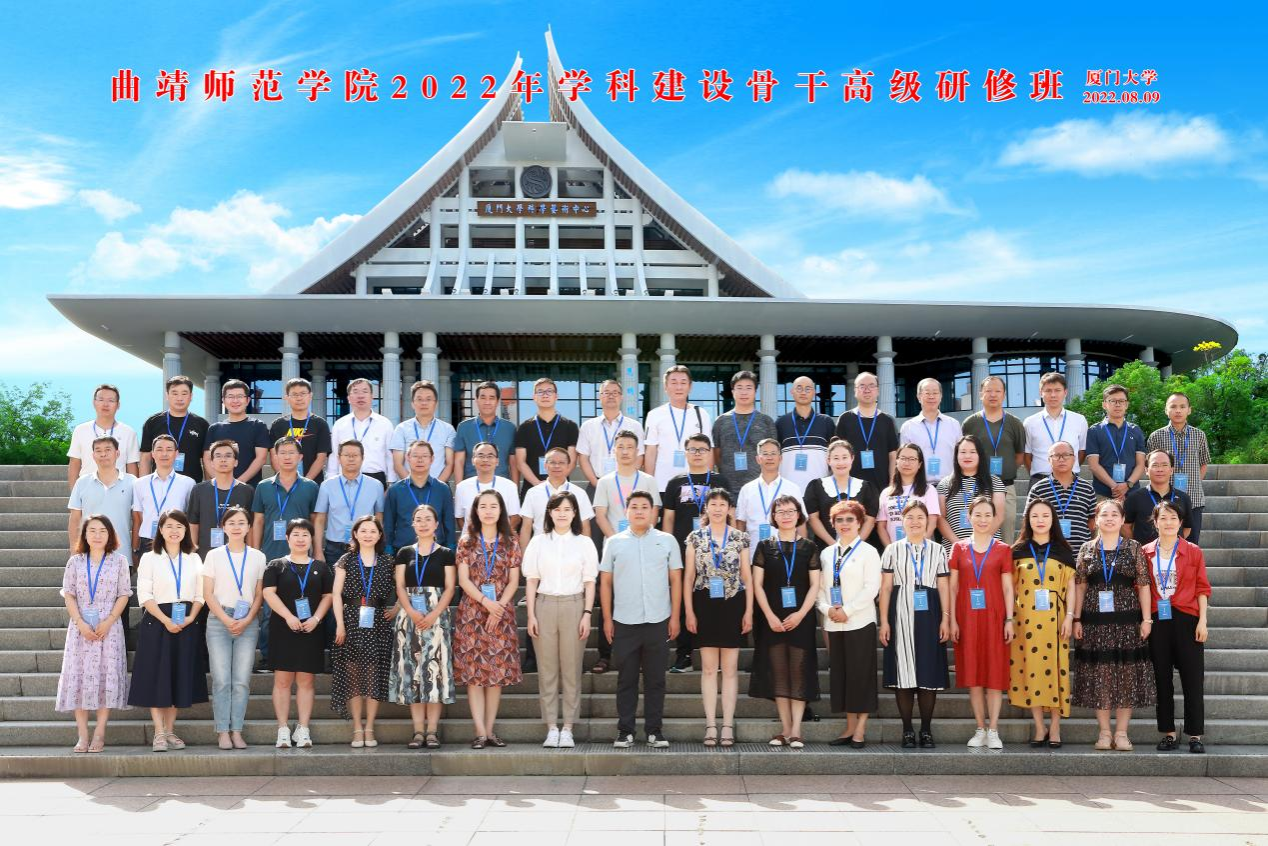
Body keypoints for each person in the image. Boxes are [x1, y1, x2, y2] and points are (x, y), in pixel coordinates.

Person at [1071, 499, 1155, 751]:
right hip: (1094, 622)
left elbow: (1144, 585)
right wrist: (1076, 618)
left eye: (1114, 515)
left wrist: (1147, 619)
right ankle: (1104, 732)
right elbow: (1080, 586)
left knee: (1126, 676)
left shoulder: (1133, 547)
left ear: (1122, 519)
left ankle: (1121, 733)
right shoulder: (1087, 548)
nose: (1109, 519)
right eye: (1104, 515)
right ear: (1096, 520)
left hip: (1127, 621)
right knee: (1100, 676)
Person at [601, 490, 683, 748]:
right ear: (626, 511)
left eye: (644, 507)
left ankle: (654, 731)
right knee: (626, 679)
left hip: (658, 619)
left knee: (656, 679)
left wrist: (675, 617)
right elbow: (605, 582)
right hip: (624, 621)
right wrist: (607, 619)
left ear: (653, 512)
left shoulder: (667, 540)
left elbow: (676, 580)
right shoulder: (614, 542)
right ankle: (625, 731)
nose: (639, 511)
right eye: (634, 506)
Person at [127, 509, 206, 752]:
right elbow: (144, 595)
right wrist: (165, 620)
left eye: (179, 527)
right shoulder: (150, 558)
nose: (174, 531)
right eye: (169, 526)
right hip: (157, 622)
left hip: (186, 622)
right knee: (157, 676)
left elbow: (200, 594)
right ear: (160, 530)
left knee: (178, 676)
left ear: (186, 531)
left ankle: (170, 730)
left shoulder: (194, 558)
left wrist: (191, 617)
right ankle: (158, 732)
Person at [523, 491, 597, 748]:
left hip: (574, 605)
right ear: (550, 513)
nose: (562, 514)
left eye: (567, 509)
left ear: (575, 513)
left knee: (571, 669)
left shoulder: (584, 543)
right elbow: (531, 580)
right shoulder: (538, 542)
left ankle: (568, 728)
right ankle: (552, 727)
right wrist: (531, 614)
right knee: (547, 670)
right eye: (557, 509)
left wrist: (587, 613)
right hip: (544, 605)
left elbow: (590, 582)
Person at [453, 490, 522, 748]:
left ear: (501, 510)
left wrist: (498, 607)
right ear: (475, 511)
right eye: (483, 506)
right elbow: (463, 580)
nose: (488, 511)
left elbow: (514, 581)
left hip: (501, 614)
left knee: (496, 674)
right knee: (474, 674)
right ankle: (480, 732)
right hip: (473, 613)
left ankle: (491, 730)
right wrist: (486, 602)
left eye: (494, 506)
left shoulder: (510, 541)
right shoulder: (466, 541)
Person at [749, 494, 820, 748]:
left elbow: (815, 585)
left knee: (799, 671)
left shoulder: (809, 547)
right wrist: (769, 615)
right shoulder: (764, 546)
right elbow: (757, 584)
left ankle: (797, 730)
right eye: (781, 512)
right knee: (778, 672)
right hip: (772, 617)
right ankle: (785, 729)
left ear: (799, 515)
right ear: (774, 517)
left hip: (801, 617)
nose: (786, 516)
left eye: (791, 511)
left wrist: (800, 614)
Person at [879, 500, 951, 749]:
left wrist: (946, 617)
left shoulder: (938, 550)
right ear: (902, 521)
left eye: (920, 517)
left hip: (930, 614)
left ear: (928, 521)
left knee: (928, 673)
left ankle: (926, 730)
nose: (915, 522)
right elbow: (886, 588)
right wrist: (884, 621)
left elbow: (944, 586)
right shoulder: (892, 550)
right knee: (904, 674)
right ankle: (908, 730)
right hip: (900, 614)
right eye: (910, 517)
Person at [683, 488, 752, 747]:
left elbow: (747, 577)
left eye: (723, 504)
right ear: (706, 508)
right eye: (713, 504)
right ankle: (711, 724)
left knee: (730, 669)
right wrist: (689, 611)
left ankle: (728, 725)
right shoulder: (695, 537)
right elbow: (689, 577)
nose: (718, 509)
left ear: (730, 509)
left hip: (734, 603)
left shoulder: (740, 537)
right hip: (704, 603)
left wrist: (749, 611)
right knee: (710, 669)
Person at [57, 514, 132, 753]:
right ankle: (82, 735)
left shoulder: (119, 561)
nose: (97, 535)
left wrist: (109, 620)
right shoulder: (75, 562)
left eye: (102, 531)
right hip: (80, 629)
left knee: (104, 678)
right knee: (78, 678)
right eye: (92, 531)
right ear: (84, 535)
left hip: (109, 628)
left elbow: (124, 593)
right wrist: (80, 622)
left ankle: (99, 732)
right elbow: (69, 594)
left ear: (110, 535)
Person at [590, 429, 662, 674]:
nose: (625, 451)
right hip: (614, 548)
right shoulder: (605, 481)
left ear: (637, 451)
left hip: (643, 547)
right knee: (608, 599)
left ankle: (641, 656)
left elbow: (654, 514)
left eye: (630, 447)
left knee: (640, 598)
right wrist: (618, 540)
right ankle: (605, 655)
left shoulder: (648, 481)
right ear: (614, 451)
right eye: (620, 447)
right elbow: (600, 515)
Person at [1009, 499, 1077, 749]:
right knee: (1032, 670)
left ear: (1053, 520)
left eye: (1045, 516)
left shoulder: (1063, 550)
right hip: (1025, 621)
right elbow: (1010, 588)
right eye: (1035, 516)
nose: (1040, 520)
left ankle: (1055, 726)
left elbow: (1071, 586)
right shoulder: (1017, 550)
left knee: (1056, 670)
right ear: (1028, 520)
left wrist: (1070, 616)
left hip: (1056, 620)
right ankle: (1040, 726)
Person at [947, 496, 1015, 749]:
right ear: (969, 517)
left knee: (995, 675)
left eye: (988, 515)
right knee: (973, 676)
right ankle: (980, 728)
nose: (983, 520)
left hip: (995, 618)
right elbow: (952, 587)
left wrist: (1009, 619)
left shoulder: (1003, 549)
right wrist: (952, 620)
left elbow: (1008, 588)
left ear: (995, 518)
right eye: (978, 514)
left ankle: (993, 729)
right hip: (966, 618)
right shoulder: (959, 548)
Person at [1143, 501, 1211, 753]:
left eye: (1173, 518)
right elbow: (1141, 588)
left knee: (1193, 679)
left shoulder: (1193, 551)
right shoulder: (1145, 552)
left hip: (1187, 619)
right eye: (1163, 518)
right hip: (1158, 620)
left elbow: (1202, 587)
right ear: (1155, 522)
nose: (1168, 522)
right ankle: (1168, 733)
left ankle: (1195, 735)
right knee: (1162, 679)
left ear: (1181, 522)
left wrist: (1203, 621)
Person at [389, 504, 457, 750]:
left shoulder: (446, 553)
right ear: (413, 524)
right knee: (412, 673)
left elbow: (450, 587)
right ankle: (418, 731)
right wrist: (411, 611)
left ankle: (432, 731)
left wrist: (434, 614)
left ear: (436, 524)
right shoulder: (404, 553)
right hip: (409, 617)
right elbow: (399, 586)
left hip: (437, 617)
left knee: (434, 674)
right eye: (419, 519)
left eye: (428, 519)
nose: (423, 523)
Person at [263, 518, 334, 749]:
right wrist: (289, 617)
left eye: (305, 535)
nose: (301, 539)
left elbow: (328, 596)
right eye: (296, 534)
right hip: (283, 628)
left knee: (306, 681)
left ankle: (303, 729)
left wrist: (316, 619)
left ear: (312, 539)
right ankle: (283, 729)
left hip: (311, 629)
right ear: (287, 538)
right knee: (282, 681)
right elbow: (268, 593)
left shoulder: (321, 567)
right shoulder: (276, 565)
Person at [251, 437, 321, 671]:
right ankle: (267, 656)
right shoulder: (263, 487)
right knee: (270, 610)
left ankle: (300, 655)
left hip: (302, 558)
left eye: (292, 453)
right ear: (275, 457)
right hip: (271, 555)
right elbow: (258, 521)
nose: (287, 457)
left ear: (300, 457)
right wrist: (256, 552)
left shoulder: (310, 486)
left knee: (302, 604)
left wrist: (317, 551)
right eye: (282, 452)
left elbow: (316, 522)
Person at [663, 433, 731, 672]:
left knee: (715, 601)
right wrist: (668, 550)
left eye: (702, 449)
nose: (698, 453)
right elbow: (668, 519)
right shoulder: (675, 483)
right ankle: (685, 655)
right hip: (684, 552)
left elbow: (730, 515)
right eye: (693, 449)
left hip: (716, 553)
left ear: (710, 453)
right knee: (684, 602)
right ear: (686, 453)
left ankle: (718, 653)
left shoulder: (720, 481)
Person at [200, 504, 266, 749]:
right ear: (223, 527)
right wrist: (226, 619)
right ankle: (222, 731)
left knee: (241, 680)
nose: (236, 527)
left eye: (241, 523)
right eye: (231, 523)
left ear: (249, 527)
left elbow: (259, 594)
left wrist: (247, 619)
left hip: (248, 621)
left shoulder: (258, 557)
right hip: (219, 620)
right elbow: (207, 593)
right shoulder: (213, 555)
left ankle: (236, 730)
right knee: (221, 680)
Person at [817, 500, 881, 748]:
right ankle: (849, 726)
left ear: (859, 523)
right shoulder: (826, 554)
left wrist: (848, 610)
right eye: (839, 520)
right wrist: (827, 609)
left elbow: (871, 587)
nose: (844, 524)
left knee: (861, 676)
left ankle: (860, 728)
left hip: (860, 622)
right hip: (834, 623)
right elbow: (819, 588)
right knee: (842, 676)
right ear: (832, 524)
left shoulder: (868, 552)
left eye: (850, 520)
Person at [330, 515, 397, 747]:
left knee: (373, 676)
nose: (368, 535)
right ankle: (357, 727)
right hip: (351, 620)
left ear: (379, 535)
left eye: (372, 531)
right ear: (355, 534)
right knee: (354, 677)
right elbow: (336, 594)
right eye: (363, 530)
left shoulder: (387, 561)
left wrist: (397, 608)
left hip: (377, 622)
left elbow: (404, 587)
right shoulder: (346, 560)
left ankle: (370, 727)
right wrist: (340, 624)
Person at [960, 376, 1026, 544]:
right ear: (980, 394)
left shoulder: (1015, 423)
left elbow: (1019, 455)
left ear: (1004, 394)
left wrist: (1006, 470)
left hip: (1005, 486)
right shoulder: (970, 423)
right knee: (975, 534)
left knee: (1006, 535)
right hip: (977, 487)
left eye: (998, 391)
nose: (993, 395)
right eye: (988, 391)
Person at [1147, 392, 1211, 544]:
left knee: (1191, 544)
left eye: (1182, 407)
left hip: (1193, 498)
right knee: (1162, 544)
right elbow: (1151, 466)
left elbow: (1204, 463)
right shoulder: (1156, 436)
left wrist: (1195, 482)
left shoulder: (1199, 435)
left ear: (1189, 410)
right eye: (1173, 406)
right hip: (1164, 500)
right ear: (1166, 410)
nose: (1178, 410)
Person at [314, 440, 387, 565]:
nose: (351, 459)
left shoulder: (376, 486)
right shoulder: (327, 485)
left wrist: (377, 547)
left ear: (363, 458)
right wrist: (318, 551)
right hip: (334, 548)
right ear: (339, 458)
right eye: (347, 455)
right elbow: (320, 519)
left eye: (355, 455)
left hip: (366, 546)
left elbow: (379, 518)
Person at [644, 365, 712, 493]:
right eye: (674, 383)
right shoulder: (654, 415)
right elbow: (651, 452)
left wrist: (707, 482)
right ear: (665, 386)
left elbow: (709, 450)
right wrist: (649, 485)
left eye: (683, 383)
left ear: (690, 387)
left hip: (695, 485)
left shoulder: (701, 414)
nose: (679, 387)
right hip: (662, 484)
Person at [834, 371, 899, 503]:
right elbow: (837, 454)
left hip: (882, 487)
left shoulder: (887, 420)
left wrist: (892, 485)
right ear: (855, 391)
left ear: (878, 390)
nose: (867, 390)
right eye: (862, 386)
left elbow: (893, 455)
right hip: (851, 488)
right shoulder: (845, 419)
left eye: (871, 385)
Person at [804, 439, 879, 552]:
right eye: (836, 458)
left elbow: (870, 520)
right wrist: (834, 545)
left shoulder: (865, 487)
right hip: (827, 548)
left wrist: (854, 546)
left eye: (845, 457)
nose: (841, 462)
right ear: (828, 460)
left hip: (858, 549)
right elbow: (813, 518)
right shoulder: (816, 486)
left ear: (852, 458)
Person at [131, 434, 197, 564]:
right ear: (153, 454)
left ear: (176, 454)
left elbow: (189, 518)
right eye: (159, 449)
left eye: (169, 449)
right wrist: (134, 548)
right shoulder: (140, 483)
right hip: (147, 541)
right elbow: (138, 517)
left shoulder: (188, 483)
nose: (164, 454)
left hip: (176, 539)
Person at [712, 370, 777, 499]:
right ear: (733, 391)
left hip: (759, 488)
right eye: (739, 388)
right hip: (727, 489)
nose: (744, 392)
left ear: (755, 391)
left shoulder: (766, 421)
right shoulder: (721, 421)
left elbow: (773, 456)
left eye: (748, 388)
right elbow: (717, 455)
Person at [68, 436, 136, 559]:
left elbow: (137, 519)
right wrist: (74, 551)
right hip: (88, 555)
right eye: (98, 450)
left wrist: (135, 550)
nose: (103, 454)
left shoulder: (132, 482)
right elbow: (75, 519)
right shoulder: (82, 482)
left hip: (122, 554)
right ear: (93, 455)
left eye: (108, 450)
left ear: (117, 453)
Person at [936, 435, 1005, 555]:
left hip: (987, 548)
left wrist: (979, 542)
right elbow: (940, 518)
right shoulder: (945, 484)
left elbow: (999, 516)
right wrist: (959, 545)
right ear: (956, 455)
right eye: (963, 452)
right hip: (954, 550)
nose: (967, 456)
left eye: (972, 452)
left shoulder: (994, 482)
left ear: (980, 455)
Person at [384, 439, 457, 552]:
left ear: (432, 459)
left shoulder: (442, 489)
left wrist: (451, 548)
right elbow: (389, 524)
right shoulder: (395, 490)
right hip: (403, 552)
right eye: (415, 456)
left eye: (424, 456)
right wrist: (388, 548)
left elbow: (449, 523)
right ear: (408, 458)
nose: (420, 460)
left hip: (436, 551)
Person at [735, 438, 805, 551]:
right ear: (758, 459)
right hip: (753, 552)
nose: (769, 457)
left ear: (780, 458)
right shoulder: (747, 489)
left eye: (773, 453)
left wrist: (801, 552)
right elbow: (740, 524)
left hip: (786, 552)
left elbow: (801, 524)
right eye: (765, 454)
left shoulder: (793, 488)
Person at [514, 376, 580, 494]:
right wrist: (538, 484)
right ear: (534, 397)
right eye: (540, 392)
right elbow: (520, 462)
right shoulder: (524, 428)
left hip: (561, 490)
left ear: (556, 396)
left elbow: (572, 461)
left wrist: (554, 484)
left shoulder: (570, 426)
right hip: (532, 489)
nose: (545, 395)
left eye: (549, 391)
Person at [187, 440, 255, 553]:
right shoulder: (199, 490)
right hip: (205, 555)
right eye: (218, 456)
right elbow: (193, 524)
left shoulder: (247, 491)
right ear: (212, 462)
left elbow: (251, 527)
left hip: (237, 555)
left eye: (228, 456)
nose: (223, 460)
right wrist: (191, 554)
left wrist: (249, 553)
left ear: (236, 462)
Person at [1025, 441, 1097, 547]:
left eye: (1066, 455)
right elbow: (1028, 520)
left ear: (1074, 458)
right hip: (1049, 552)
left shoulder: (1087, 488)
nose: (1061, 459)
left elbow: (1092, 522)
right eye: (1056, 456)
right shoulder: (1038, 489)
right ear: (1049, 460)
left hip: (1080, 551)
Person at [139, 375, 209, 483]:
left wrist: (209, 488)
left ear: (191, 396)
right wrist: (144, 485)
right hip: (159, 484)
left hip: (192, 486)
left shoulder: (202, 425)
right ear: (167, 395)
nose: (179, 398)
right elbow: (145, 458)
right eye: (175, 393)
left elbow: (207, 460)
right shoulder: (153, 422)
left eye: (184, 394)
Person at [1085, 383, 1148, 502]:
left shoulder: (1135, 430)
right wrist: (1115, 486)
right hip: (1103, 493)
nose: (1117, 404)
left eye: (1121, 401)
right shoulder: (1094, 430)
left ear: (1126, 404)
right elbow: (1094, 465)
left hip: (1131, 492)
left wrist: (1127, 485)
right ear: (1104, 404)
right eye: (1112, 401)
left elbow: (1141, 464)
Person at [66, 383, 139, 485]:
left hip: (119, 488)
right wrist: (74, 492)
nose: (105, 404)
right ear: (94, 402)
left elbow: (131, 465)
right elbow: (74, 463)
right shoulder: (80, 430)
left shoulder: (129, 432)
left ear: (118, 405)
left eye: (111, 400)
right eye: (101, 400)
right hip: (87, 487)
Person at [520, 446, 595, 545]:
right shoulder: (532, 493)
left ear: (568, 465)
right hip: (541, 548)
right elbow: (526, 528)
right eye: (552, 462)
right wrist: (525, 553)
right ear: (545, 465)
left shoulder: (579, 493)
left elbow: (585, 527)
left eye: (561, 463)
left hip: (571, 548)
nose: (557, 466)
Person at [578, 379, 645, 488]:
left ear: (621, 397)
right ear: (600, 396)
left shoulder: (634, 426)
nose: (611, 396)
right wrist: (597, 484)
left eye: (615, 393)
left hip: (627, 484)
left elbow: (639, 456)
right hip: (596, 484)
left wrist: (627, 481)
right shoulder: (588, 426)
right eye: (606, 392)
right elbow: (583, 458)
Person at [329, 378, 395, 486]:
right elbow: (334, 455)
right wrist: (331, 481)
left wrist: (391, 483)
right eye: (355, 392)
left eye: (365, 391)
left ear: (372, 396)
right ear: (349, 398)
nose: (360, 396)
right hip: (346, 479)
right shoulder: (340, 424)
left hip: (376, 478)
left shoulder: (385, 424)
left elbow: (390, 457)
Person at [1023, 372, 1089, 480]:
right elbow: (1027, 455)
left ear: (1065, 392)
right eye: (1048, 390)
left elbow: (1082, 452)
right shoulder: (1030, 422)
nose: (1053, 395)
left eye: (1057, 390)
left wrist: (1067, 470)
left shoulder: (1079, 420)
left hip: (1070, 480)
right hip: (1040, 479)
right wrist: (1038, 476)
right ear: (1041, 393)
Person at [205, 379, 272, 485]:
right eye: (230, 397)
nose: (235, 401)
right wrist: (221, 483)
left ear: (247, 400)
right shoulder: (214, 429)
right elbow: (207, 459)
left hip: (249, 488)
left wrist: (238, 483)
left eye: (240, 396)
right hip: (219, 489)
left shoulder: (258, 426)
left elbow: (261, 458)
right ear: (223, 400)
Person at [776, 376, 837, 489]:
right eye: (799, 388)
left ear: (814, 393)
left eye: (808, 389)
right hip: (788, 492)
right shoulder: (781, 423)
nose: (803, 392)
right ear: (792, 392)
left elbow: (835, 457)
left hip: (820, 490)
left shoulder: (826, 422)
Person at [452, 380, 518, 483]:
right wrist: (459, 489)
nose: (487, 402)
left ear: (497, 401)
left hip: (501, 486)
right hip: (472, 486)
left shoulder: (510, 428)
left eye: (491, 398)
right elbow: (459, 462)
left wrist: (515, 489)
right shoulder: (464, 427)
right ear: (476, 400)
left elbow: (513, 464)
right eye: (483, 398)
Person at [899, 378, 962, 485]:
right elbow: (904, 460)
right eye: (927, 393)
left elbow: (960, 455)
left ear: (941, 396)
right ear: (919, 397)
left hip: (950, 485)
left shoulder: (954, 425)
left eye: (935, 393)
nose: (931, 396)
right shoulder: (908, 427)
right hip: (919, 486)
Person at [390, 380, 455, 483]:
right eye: (419, 399)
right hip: (408, 488)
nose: (424, 403)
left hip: (438, 487)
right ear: (412, 403)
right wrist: (413, 485)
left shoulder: (448, 430)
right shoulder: (401, 429)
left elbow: (450, 464)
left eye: (428, 399)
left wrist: (436, 487)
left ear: (436, 403)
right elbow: (398, 465)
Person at [1123, 450, 1193, 546]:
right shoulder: (1134, 498)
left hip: (1175, 552)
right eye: (1155, 465)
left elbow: (1187, 528)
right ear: (1146, 470)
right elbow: (1125, 527)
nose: (1160, 469)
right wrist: (1138, 548)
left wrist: (1173, 545)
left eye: (1164, 465)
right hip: (1144, 553)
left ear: (1171, 470)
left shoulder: (1183, 498)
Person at [876, 444, 941, 546]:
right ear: (896, 461)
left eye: (912, 459)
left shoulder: (928, 490)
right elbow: (881, 526)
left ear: (919, 464)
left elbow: (932, 523)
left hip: (921, 548)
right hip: (894, 550)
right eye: (903, 458)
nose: (907, 463)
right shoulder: (886, 493)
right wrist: (891, 550)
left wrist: (917, 546)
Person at [268, 377, 331, 482]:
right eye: (294, 395)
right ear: (287, 398)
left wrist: (304, 483)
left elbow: (321, 457)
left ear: (310, 396)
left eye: (303, 394)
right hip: (283, 483)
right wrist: (286, 480)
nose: (299, 398)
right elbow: (274, 456)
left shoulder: (320, 424)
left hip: (312, 483)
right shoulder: (278, 424)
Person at [453, 441, 522, 531]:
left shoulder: (509, 486)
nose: (485, 460)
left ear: (497, 461)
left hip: (501, 538)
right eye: (481, 456)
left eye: (490, 456)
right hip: (471, 538)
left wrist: (500, 535)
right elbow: (459, 517)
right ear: (473, 460)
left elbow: (515, 517)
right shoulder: (462, 487)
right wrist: (473, 536)